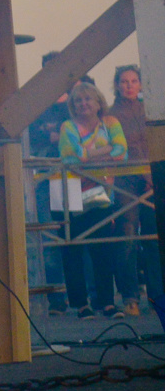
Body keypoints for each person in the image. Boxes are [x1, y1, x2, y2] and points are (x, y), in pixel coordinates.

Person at [55, 77, 126, 319]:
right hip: (68, 190)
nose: (82, 104)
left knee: (102, 247)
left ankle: (106, 302)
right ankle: (80, 305)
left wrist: (88, 154)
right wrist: (104, 151)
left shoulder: (111, 122)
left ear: (98, 102)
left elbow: (122, 152)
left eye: (87, 99)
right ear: (72, 105)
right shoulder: (67, 126)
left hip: (101, 190)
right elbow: (70, 160)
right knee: (73, 249)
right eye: (77, 101)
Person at [108, 65, 158, 316]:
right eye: (124, 81)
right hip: (126, 179)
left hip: (153, 178)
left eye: (134, 80)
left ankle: (157, 294)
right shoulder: (110, 114)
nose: (129, 85)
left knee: (154, 237)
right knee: (127, 237)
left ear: (140, 83)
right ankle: (130, 296)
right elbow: (124, 148)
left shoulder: (150, 109)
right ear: (116, 84)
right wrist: (147, 175)